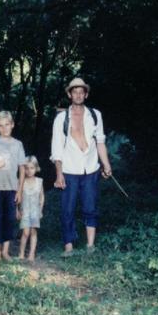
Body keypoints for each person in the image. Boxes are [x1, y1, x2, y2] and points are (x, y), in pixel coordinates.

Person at [51, 77, 112, 254]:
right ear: (70, 94)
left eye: (81, 91)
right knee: (67, 209)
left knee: (90, 206)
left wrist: (106, 165)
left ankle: (90, 245)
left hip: (91, 168)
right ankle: (68, 245)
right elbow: (57, 148)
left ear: (85, 94)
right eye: (74, 91)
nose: (78, 95)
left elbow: (100, 141)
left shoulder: (95, 115)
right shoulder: (61, 118)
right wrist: (59, 173)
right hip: (69, 169)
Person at [0, 111, 26, 261]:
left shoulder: (18, 144)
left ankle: (5, 251)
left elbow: (22, 168)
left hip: (12, 188)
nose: (5, 128)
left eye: (7, 125)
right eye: (1, 125)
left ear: (12, 125)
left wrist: (19, 190)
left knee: (9, 219)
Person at [17, 156, 44, 262]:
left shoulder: (39, 181)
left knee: (33, 232)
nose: (29, 171)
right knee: (25, 232)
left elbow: (42, 196)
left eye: (32, 168)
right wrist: (17, 210)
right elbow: (17, 197)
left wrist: (40, 209)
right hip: (24, 211)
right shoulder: (20, 181)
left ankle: (32, 254)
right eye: (26, 168)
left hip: (35, 211)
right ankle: (21, 253)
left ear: (36, 168)